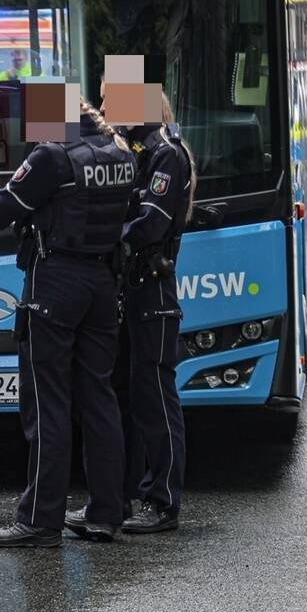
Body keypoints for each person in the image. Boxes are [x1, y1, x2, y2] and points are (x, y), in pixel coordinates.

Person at [0, 92, 134, 547]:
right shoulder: (119, 152)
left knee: (48, 403)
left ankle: (40, 521)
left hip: (56, 282)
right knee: (99, 397)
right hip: (103, 281)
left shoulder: (52, 156)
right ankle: (106, 512)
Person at [105, 97, 195, 534]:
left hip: (153, 290)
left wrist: (100, 237)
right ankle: (119, 500)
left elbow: (150, 225)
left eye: (113, 95)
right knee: (126, 399)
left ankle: (163, 503)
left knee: (156, 399)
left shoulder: (165, 153)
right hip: (130, 290)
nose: (106, 105)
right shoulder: (136, 149)